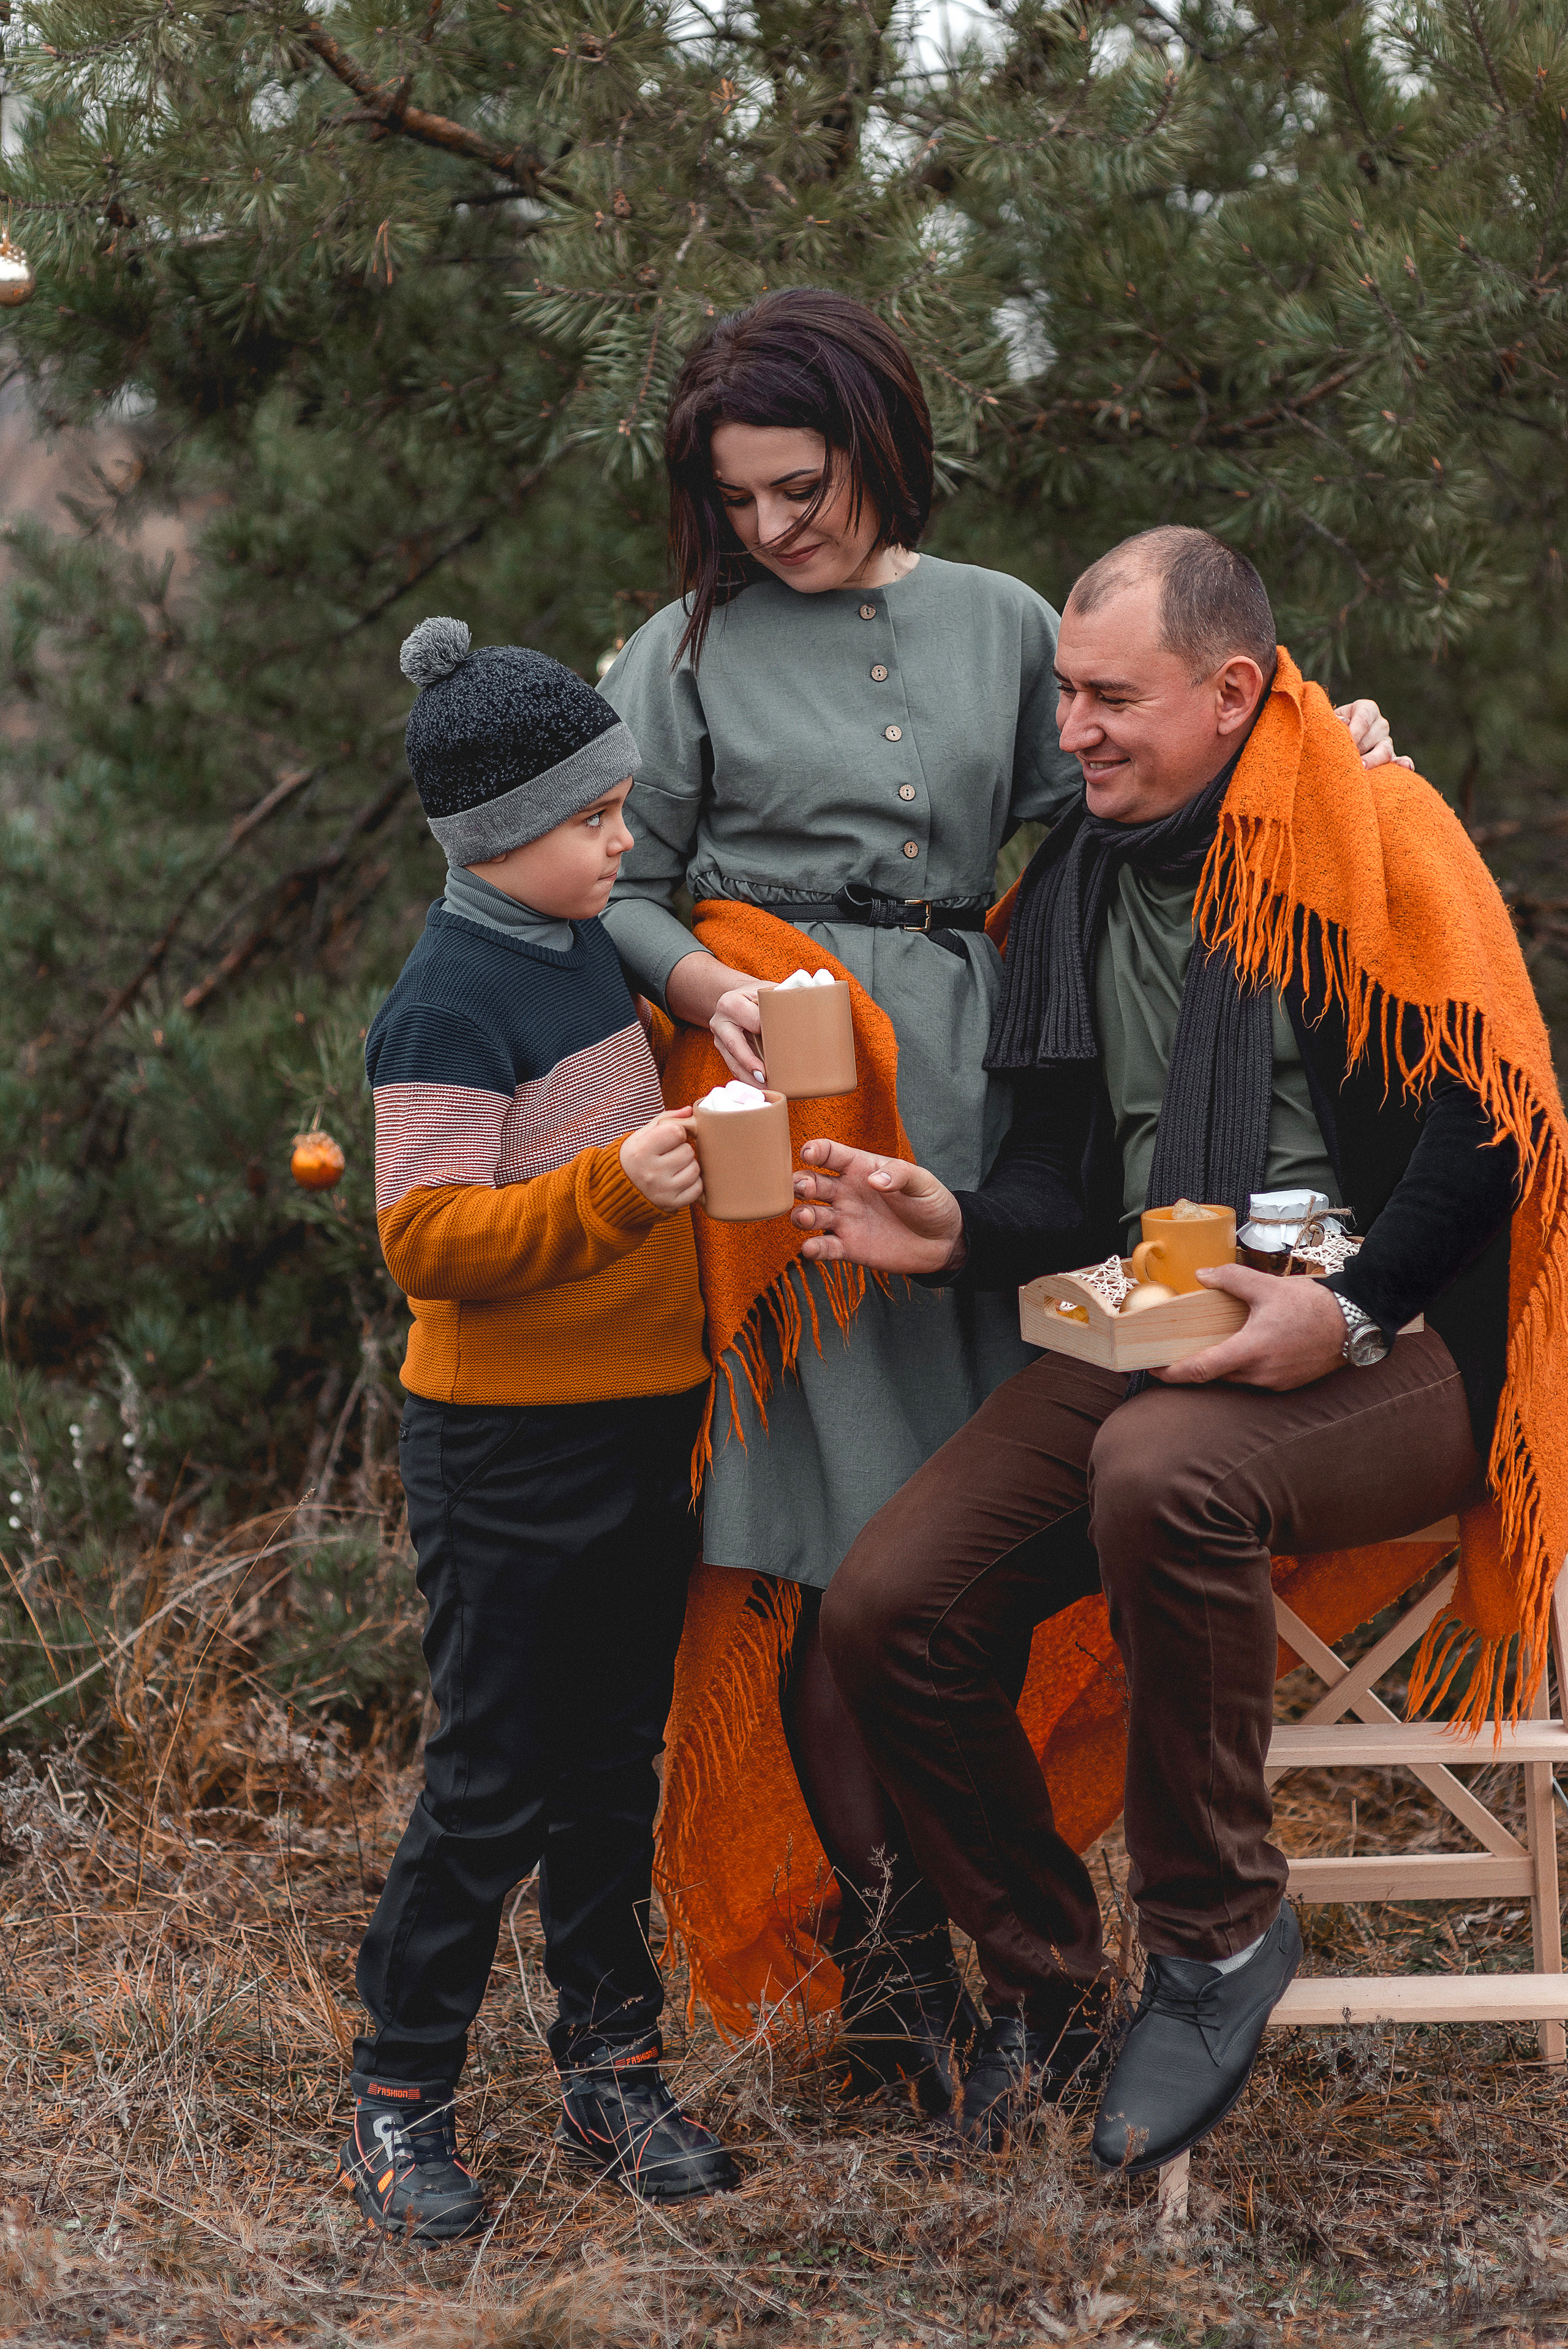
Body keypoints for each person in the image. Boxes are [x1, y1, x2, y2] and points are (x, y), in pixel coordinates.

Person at [599, 290, 1402, 2100]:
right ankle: (904, 1992)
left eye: (797, 487)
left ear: (876, 443)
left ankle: (1033, 1970)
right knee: (835, 1563)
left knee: (967, 1556)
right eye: (735, 502)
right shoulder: (685, 646)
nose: (771, 530)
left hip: (999, 1109)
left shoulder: (1004, 622)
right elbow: (618, 875)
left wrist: (1322, 760)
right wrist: (699, 983)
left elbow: (1145, 786)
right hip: (797, 1130)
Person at [791, 526, 1567, 2171]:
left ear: (1231, 691)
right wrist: (951, 1223)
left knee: (1159, 1470)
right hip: (1161, 1313)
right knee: (888, 1603)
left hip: (1407, 1340)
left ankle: (1214, 1933)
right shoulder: (1075, 877)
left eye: (1110, 698)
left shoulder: (1369, 831)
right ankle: (1052, 1976)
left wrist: (1348, 1304)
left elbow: (1488, 1123)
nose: (1069, 729)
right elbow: (1064, 1185)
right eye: (1064, 693)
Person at [340, 617, 738, 2240]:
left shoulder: (581, 938)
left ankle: (611, 2058)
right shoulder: (443, 1002)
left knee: (604, 1768)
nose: (625, 841)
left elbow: (655, 946)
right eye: (599, 821)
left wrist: (715, 1011)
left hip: (640, 1426)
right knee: (492, 1779)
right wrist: (610, 1187)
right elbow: (428, 1240)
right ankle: (399, 2087)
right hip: (501, 1453)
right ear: (505, 838)